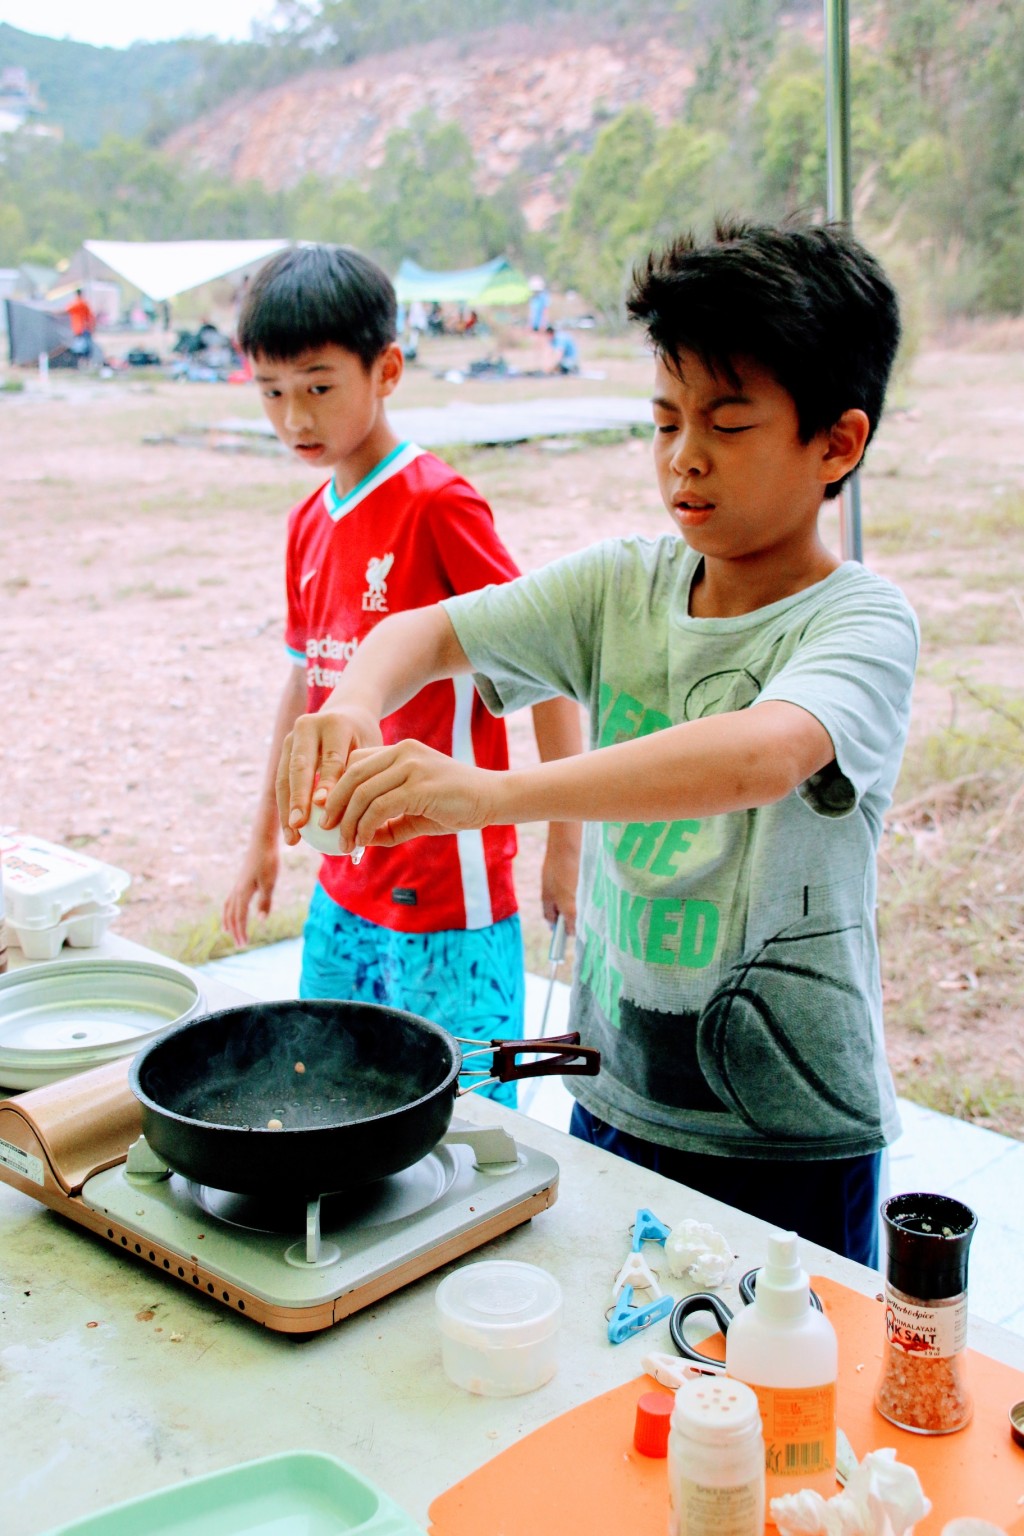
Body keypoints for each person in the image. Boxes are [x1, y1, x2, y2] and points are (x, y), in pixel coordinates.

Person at [274, 221, 919, 1265]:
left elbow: (756, 756)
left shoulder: (859, 622)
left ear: (836, 445)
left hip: (790, 1132)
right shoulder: (623, 585)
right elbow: (423, 633)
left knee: (783, 1363)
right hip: (614, 1096)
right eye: (664, 420)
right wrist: (354, 701)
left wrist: (491, 796)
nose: (683, 456)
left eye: (728, 422)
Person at [223, 244, 582, 1107]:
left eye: (318, 386)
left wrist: (567, 846)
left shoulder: (436, 503)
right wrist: (262, 836)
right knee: (330, 1095)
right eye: (271, 392)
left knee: (472, 1118)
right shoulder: (308, 522)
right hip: (344, 883)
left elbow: (549, 665)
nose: (294, 417)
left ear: (386, 370)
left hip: (452, 891)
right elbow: (306, 685)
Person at [65, 288, 96, 365]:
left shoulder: (76, 303)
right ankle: (84, 362)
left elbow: (66, 310)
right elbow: (90, 316)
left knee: (81, 347)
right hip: (84, 328)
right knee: (84, 347)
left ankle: (81, 362)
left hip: (80, 328)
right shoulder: (83, 303)